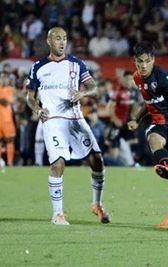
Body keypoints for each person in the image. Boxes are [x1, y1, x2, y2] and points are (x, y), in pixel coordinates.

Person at [26, 27, 110, 225]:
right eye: (57, 38)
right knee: (58, 163)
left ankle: (96, 205)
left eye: (64, 38)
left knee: (97, 160)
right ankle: (58, 214)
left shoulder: (76, 63)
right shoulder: (38, 67)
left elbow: (93, 87)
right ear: (49, 41)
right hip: (53, 120)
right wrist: (38, 109)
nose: (62, 42)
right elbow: (30, 97)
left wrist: (83, 94)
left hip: (75, 118)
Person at [127, 41, 168, 229]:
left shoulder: (163, 76)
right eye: (140, 62)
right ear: (135, 61)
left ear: (153, 60)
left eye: (148, 61)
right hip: (160, 122)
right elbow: (149, 102)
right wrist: (137, 119)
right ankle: (165, 166)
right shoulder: (137, 78)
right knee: (153, 139)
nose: (144, 65)